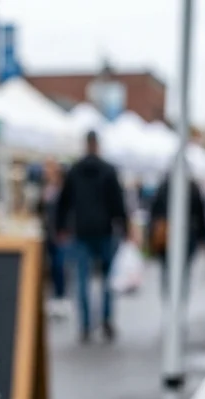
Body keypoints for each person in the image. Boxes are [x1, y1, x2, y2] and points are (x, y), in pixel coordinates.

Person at [56, 130, 129, 343]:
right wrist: (123, 226)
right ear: (97, 145)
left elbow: (63, 202)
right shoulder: (108, 170)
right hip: (105, 230)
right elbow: (118, 202)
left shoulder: (75, 170)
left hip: (81, 231)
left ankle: (85, 325)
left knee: (82, 279)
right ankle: (106, 319)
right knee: (107, 279)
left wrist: (61, 227)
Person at [148, 170, 205, 297]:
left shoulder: (164, 186)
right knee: (184, 270)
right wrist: (202, 236)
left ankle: (169, 297)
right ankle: (180, 297)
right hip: (186, 234)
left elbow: (154, 212)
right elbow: (201, 213)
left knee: (166, 268)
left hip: (167, 233)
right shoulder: (192, 186)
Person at [38, 159, 66, 308]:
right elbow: (40, 209)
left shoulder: (62, 188)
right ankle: (55, 295)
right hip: (48, 231)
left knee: (58, 264)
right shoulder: (45, 188)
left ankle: (60, 295)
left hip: (58, 233)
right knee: (51, 263)